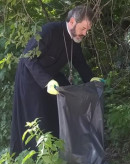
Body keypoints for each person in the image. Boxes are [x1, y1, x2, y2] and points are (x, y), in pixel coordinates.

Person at [10, 5, 104, 155]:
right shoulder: (49, 31)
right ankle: (36, 157)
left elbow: (80, 63)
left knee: (62, 101)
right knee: (37, 115)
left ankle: (59, 151)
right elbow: (28, 58)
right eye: (83, 28)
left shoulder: (75, 38)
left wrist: (91, 79)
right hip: (30, 76)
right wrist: (47, 81)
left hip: (51, 77)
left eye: (87, 30)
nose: (85, 33)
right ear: (72, 21)